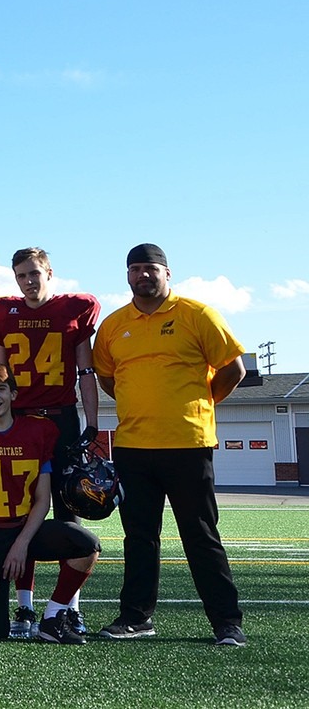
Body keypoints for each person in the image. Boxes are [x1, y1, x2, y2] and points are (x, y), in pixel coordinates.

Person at [93, 243, 247, 646]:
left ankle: (227, 623)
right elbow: (108, 380)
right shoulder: (112, 325)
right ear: (127, 275)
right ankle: (136, 617)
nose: (143, 275)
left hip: (188, 444)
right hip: (133, 446)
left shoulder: (197, 315)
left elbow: (234, 369)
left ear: (167, 273)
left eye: (151, 268)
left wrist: (199, 403)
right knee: (139, 538)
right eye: (135, 269)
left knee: (200, 534)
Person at [0, 247, 101, 637]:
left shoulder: (74, 308)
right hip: (21, 421)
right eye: (21, 276)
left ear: (49, 272)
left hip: (61, 418)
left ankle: (66, 608)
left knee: (69, 513)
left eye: (34, 273)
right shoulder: (4, 312)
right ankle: (25, 608)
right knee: (19, 509)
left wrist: (93, 422)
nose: (29, 281)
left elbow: (85, 370)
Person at [0, 365, 101, 644]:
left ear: (13, 394)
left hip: (24, 528)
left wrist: (22, 543)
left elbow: (43, 499)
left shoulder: (37, 431)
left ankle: (52, 618)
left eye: (1, 388)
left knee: (87, 544)